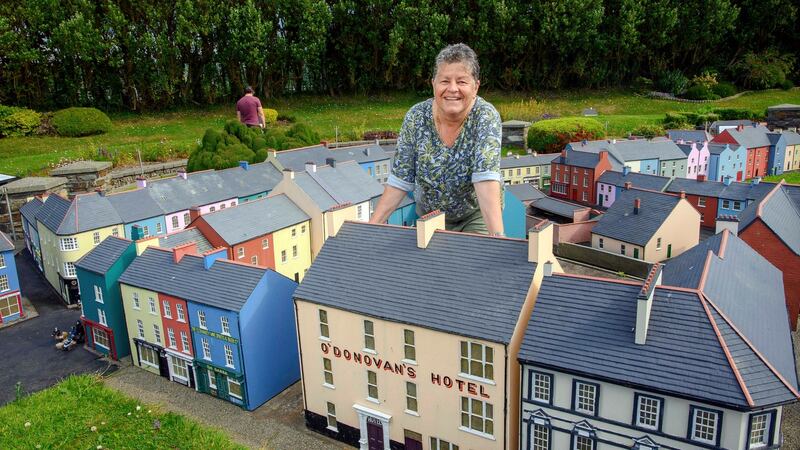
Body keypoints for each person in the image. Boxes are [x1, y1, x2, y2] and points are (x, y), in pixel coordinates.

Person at [369, 43, 504, 236]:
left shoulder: (485, 117)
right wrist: (370, 228)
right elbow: (400, 179)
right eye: (445, 81)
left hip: (474, 214)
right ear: (433, 84)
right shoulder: (416, 117)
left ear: (476, 87)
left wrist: (498, 239)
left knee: (477, 259)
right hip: (429, 215)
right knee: (430, 265)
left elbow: (486, 180)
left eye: (462, 82)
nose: (452, 89)